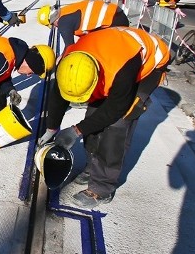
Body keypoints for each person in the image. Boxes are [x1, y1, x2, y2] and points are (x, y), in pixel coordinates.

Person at [38, 26, 170, 207]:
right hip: (110, 53)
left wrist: (76, 130)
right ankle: (93, 167)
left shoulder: (122, 70)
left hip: (151, 64)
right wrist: (51, 127)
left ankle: (102, 188)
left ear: (96, 77)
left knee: (118, 125)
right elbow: (58, 95)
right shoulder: (69, 61)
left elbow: (113, 110)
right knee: (93, 116)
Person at [36, 0, 130, 48]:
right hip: (117, 15)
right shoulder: (66, 11)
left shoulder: (63, 23)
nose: (55, 27)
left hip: (115, 21)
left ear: (52, 20)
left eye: (52, 25)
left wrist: (59, 61)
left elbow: (70, 47)